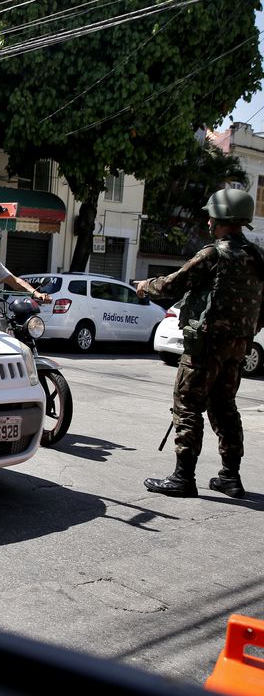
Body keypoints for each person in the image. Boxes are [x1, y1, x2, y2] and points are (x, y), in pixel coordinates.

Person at [135, 188, 264, 498]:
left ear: (219, 218)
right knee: (225, 407)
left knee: (188, 406)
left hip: (205, 347)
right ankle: (230, 477)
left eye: (211, 215)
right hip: (237, 347)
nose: (208, 221)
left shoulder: (214, 254)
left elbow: (173, 284)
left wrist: (144, 286)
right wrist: (246, 335)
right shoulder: (257, 256)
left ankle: (183, 478)